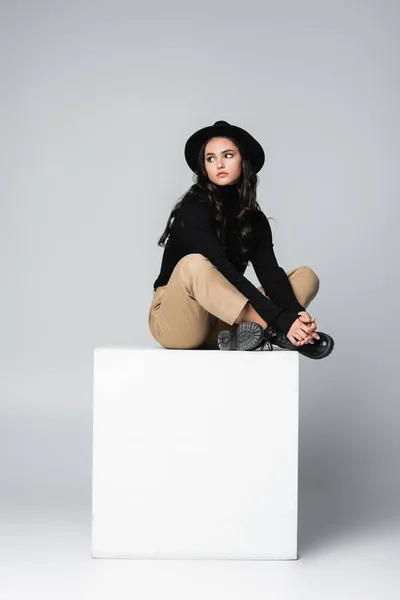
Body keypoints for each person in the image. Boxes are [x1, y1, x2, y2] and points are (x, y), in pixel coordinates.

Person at [148, 120, 334, 359]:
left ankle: (263, 332)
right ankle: (275, 330)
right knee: (193, 263)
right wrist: (279, 319)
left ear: (242, 161)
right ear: (204, 167)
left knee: (306, 276)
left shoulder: (254, 219)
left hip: (225, 320)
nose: (219, 164)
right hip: (178, 322)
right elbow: (225, 271)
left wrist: (297, 316)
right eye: (210, 158)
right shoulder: (193, 208)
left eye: (227, 155)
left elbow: (271, 275)